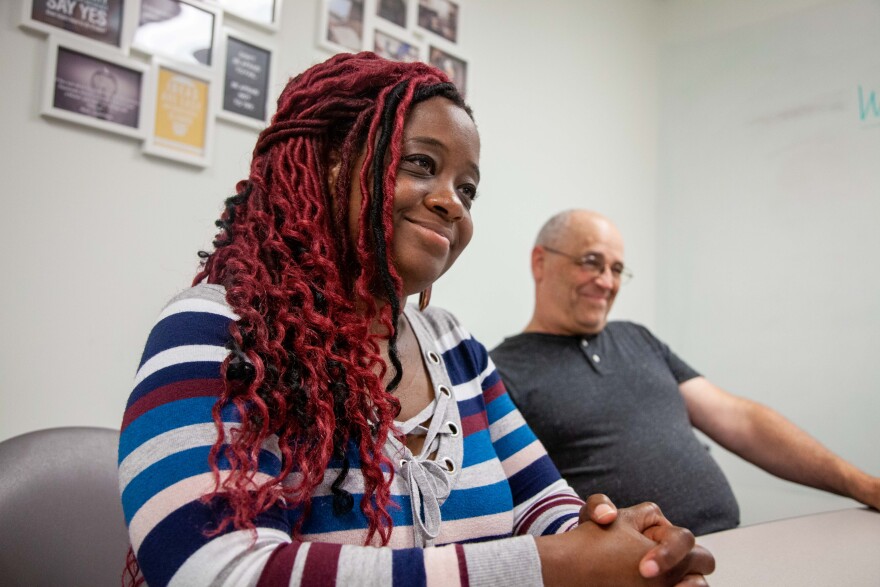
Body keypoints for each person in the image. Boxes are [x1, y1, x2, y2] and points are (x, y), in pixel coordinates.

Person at [118, 55, 713, 586]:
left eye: (469, 189)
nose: (452, 200)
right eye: (422, 164)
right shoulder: (217, 328)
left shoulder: (456, 347)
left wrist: (625, 549)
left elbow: (543, 506)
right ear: (327, 165)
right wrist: (550, 567)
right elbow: (218, 569)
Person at [490, 209, 880, 536]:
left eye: (617, 268)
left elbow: (741, 421)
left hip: (733, 543)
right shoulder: (500, 372)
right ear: (540, 261)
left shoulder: (637, 338)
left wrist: (863, 486)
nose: (607, 282)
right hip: (638, 572)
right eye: (591, 262)